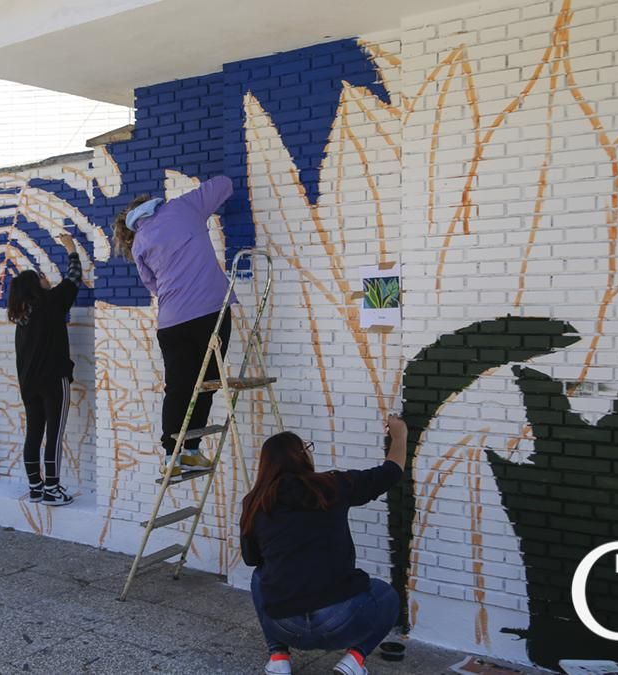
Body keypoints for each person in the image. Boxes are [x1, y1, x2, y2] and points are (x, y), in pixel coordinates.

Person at [239, 416, 408, 675]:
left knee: (260, 576)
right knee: (386, 595)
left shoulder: (254, 502)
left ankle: (278, 657)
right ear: (302, 458)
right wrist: (399, 436)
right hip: (340, 621)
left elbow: (252, 559)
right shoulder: (331, 485)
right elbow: (390, 472)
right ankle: (354, 660)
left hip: (284, 624)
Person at [112, 176, 235, 475]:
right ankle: (192, 450)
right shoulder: (185, 206)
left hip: (170, 322)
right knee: (207, 383)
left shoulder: (140, 241)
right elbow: (225, 184)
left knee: (178, 388)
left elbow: (152, 285)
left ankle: (172, 456)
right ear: (153, 203)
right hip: (210, 313)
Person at [6, 232, 81, 507]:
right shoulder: (51, 303)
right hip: (53, 380)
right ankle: (52, 489)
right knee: (54, 435)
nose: (45, 278)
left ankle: (36, 487)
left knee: (34, 433)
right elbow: (74, 278)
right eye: (40, 277)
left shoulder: (21, 316)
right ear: (35, 286)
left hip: (29, 384)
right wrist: (71, 249)